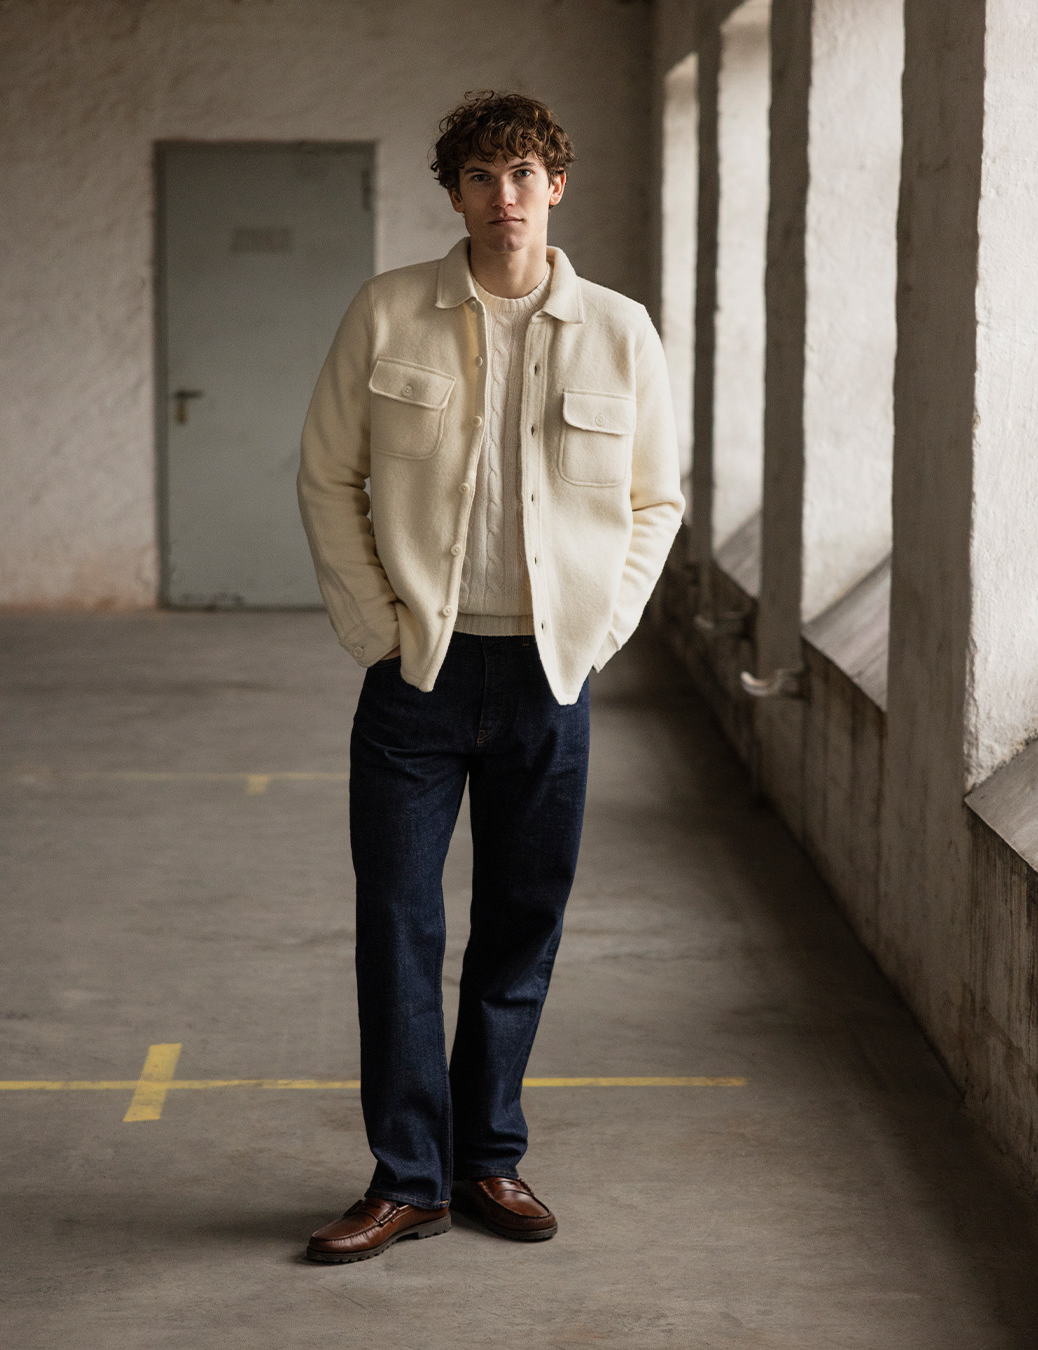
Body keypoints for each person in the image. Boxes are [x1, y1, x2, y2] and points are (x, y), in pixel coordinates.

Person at [297, 91, 684, 1264]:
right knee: (399, 925)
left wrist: (597, 633)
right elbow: (327, 475)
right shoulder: (387, 313)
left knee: (522, 925)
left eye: (522, 174)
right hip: (417, 675)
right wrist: (377, 630)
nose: (503, 196)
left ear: (555, 186)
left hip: (548, 678)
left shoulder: (620, 330)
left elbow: (654, 502)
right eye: (480, 176)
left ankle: (487, 1160)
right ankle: (407, 1177)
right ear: (456, 195)